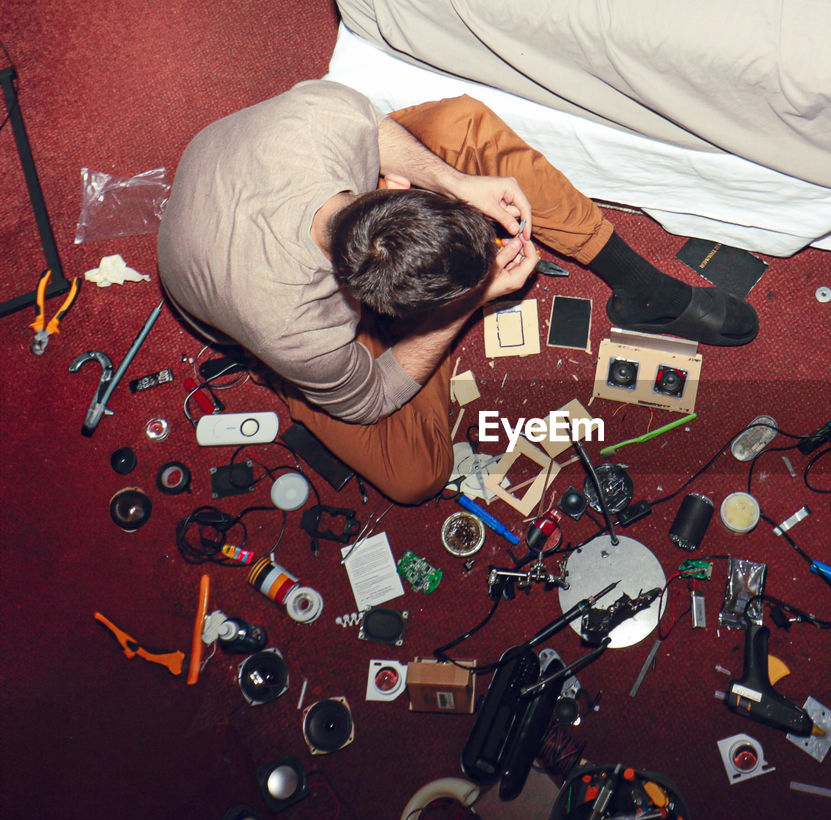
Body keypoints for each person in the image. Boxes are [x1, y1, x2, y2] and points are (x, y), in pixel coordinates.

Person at [158, 81, 757, 504]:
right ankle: (295, 385)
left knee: (456, 127)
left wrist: (454, 181)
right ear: (383, 314)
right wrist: (467, 305)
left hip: (268, 164)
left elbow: (378, 133)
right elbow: (371, 399)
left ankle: (640, 285)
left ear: (391, 188)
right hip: (250, 304)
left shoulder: (329, 116)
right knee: (417, 474)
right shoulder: (296, 331)